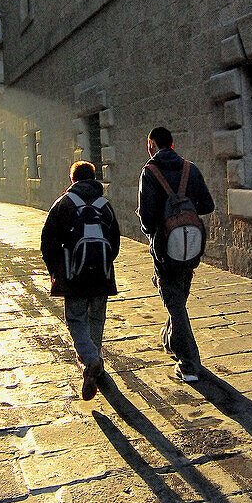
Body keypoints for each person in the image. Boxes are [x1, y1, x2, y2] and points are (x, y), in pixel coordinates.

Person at [137, 126, 215, 382]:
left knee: (174, 302)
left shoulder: (149, 172)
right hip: (191, 246)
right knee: (178, 296)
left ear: (151, 144)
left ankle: (190, 363)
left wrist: (160, 226)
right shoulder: (190, 168)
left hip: (164, 248)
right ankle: (170, 339)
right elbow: (207, 205)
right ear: (172, 144)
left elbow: (147, 218)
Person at [41, 160, 120, 400]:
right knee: (97, 318)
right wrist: (103, 262)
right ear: (94, 178)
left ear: (72, 179)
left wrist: (55, 271)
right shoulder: (105, 206)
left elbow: (48, 243)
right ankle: (94, 363)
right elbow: (114, 242)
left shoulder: (63, 204)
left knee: (76, 318)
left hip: (73, 276)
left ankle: (91, 359)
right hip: (102, 276)